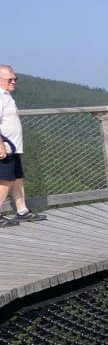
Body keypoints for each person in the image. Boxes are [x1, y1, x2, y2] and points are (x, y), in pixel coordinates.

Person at [0, 65, 46, 226]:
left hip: (14, 147)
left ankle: (22, 211)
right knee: (5, 181)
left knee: (17, 178)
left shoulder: (6, 95)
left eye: (15, 78)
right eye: (9, 79)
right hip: (6, 147)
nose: (13, 81)